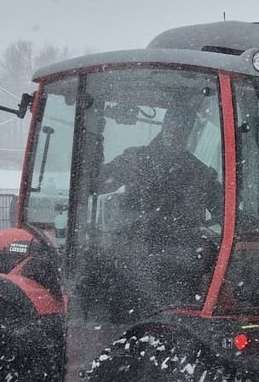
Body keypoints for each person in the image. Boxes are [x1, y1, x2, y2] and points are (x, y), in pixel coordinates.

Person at [95, 98, 223, 317]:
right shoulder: (136, 160)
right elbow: (96, 182)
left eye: (183, 130)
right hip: (135, 258)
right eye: (173, 128)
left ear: (189, 134)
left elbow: (225, 210)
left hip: (182, 262)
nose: (176, 135)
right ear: (165, 127)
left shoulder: (200, 173)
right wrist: (96, 135)